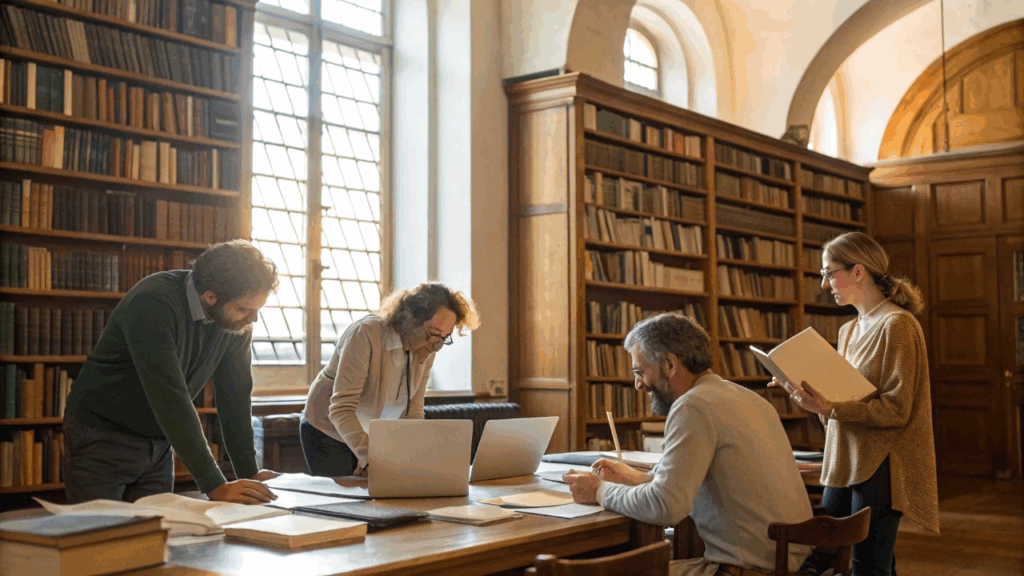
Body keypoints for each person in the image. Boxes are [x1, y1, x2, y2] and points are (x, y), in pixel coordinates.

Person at [564, 312, 813, 576]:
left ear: (670, 364)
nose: (638, 384)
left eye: (640, 371)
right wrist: (641, 479)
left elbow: (666, 506)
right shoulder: (750, 399)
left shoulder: (693, 405)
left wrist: (600, 491)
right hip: (795, 565)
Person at [63, 240, 282, 505]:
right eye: (244, 309)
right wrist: (215, 485)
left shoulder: (234, 321)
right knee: (97, 537)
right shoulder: (153, 301)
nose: (252, 319)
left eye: (256, 310)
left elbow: (234, 396)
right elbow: (170, 398)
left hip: (159, 442)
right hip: (102, 435)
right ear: (210, 296)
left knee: (156, 536)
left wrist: (250, 475)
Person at [775, 231, 939, 576]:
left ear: (858, 272)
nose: (824, 284)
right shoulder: (849, 330)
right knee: (832, 554)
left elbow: (897, 409)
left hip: (882, 464)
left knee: (868, 566)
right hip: (843, 458)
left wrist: (832, 408)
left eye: (829, 272)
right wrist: (810, 397)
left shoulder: (898, 326)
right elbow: (840, 401)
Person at [300, 282, 480, 477]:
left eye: (444, 338)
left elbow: (414, 412)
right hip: (327, 428)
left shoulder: (427, 348)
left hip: (368, 430)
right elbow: (341, 409)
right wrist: (370, 459)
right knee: (344, 502)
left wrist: (416, 460)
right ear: (411, 319)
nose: (437, 346)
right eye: (433, 335)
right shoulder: (366, 333)